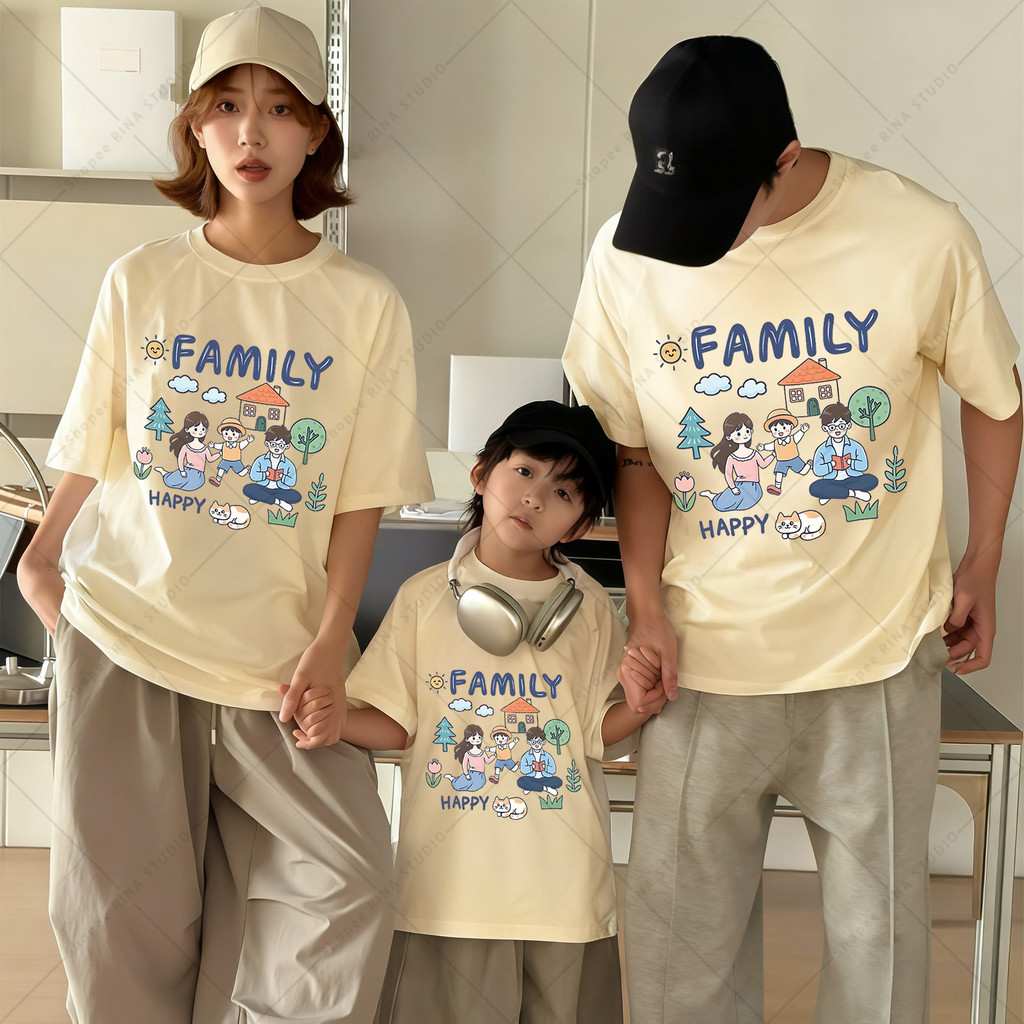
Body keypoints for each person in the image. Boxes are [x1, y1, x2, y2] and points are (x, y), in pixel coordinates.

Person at [562, 35, 1021, 1024]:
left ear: (784, 158)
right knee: (680, 961)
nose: (688, 236)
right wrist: (645, 609)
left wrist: (982, 559)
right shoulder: (623, 256)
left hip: (874, 660)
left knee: (877, 953)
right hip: (701, 662)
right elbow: (633, 452)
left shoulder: (916, 233)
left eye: (714, 210)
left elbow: (995, 394)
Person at [17, 7, 433, 1022]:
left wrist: (330, 638)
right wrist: (40, 563)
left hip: (275, 663)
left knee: (348, 882)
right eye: (227, 107)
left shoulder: (365, 302)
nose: (253, 133)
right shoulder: (143, 279)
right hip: (128, 637)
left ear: (316, 133)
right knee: (122, 921)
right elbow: (93, 440)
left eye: (281, 109)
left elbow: (360, 495)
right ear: (195, 128)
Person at [310, 401, 662, 1024]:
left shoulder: (588, 610)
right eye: (524, 472)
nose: (534, 498)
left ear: (579, 526)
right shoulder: (423, 598)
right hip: (447, 894)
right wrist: (337, 722)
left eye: (563, 493)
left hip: (564, 896)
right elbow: (398, 721)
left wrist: (637, 707)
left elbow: (594, 734)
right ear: (481, 474)